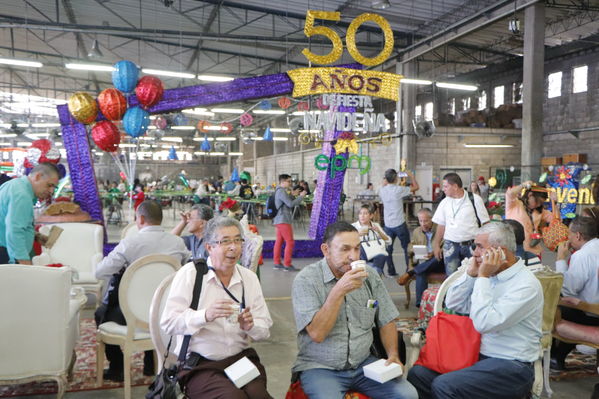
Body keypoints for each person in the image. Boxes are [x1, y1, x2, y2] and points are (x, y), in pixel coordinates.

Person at [408, 222, 543, 399]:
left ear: (500, 252)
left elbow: (484, 323)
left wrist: (483, 277)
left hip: (513, 366)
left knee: (445, 386)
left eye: (479, 247)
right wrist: (472, 275)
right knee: (418, 374)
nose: (474, 253)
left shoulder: (526, 284)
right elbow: (454, 303)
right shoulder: (491, 274)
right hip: (478, 356)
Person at [292, 221, 418, 399]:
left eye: (357, 248)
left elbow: (386, 318)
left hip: (363, 363)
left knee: (408, 395)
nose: (353, 256)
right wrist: (338, 292)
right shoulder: (306, 280)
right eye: (345, 249)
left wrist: (393, 355)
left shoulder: (369, 276)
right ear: (326, 250)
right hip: (320, 366)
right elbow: (317, 334)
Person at [161, 217, 273, 398]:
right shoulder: (191, 275)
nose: (233, 247)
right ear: (209, 247)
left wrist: (250, 326)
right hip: (201, 364)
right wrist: (204, 315)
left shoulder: (248, 278)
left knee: (259, 395)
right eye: (225, 241)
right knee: (233, 397)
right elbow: (168, 323)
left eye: (238, 240)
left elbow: (265, 331)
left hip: (240, 360)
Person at [95, 200, 190, 381]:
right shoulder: (177, 243)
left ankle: (117, 367)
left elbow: (100, 272)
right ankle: (150, 363)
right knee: (152, 302)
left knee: (101, 313)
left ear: (141, 219)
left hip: (132, 314)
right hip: (166, 311)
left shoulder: (129, 243)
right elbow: (188, 270)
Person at [551, 216, 599, 370]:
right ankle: (558, 355)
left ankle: (555, 356)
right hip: (592, 310)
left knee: (551, 307)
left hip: (591, 313)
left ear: (578, 235)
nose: (568, 239)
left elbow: (567, 288)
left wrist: (560, 258)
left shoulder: (583, 255)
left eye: (569, 235)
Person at [0, 163, 59, 264]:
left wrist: (35, 235)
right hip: (7, 254)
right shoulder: (22, 195)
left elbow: (7, 222)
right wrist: (24, 263)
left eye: (54, 187)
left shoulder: (14, 185)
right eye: (49, 185)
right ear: (38, 176)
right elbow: (15, 230)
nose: (51, 191)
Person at [432, 172, 490, 275]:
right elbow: (441, 226)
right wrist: (436, 245)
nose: (443, 189)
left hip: (472, 246)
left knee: (473, 275)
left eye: (445, 186)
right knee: (451, 278)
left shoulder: (475, 200)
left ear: (454, 186)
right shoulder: (444, 203)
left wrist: (485, 245)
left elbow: (486, 223)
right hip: (450, 246)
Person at [397, 208, 445, 308]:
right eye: (421, 221)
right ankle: (421, 304)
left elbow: (447, 247)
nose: (423, 224)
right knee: (421, 272)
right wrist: (415, 249)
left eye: (426, 220)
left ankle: (410, 272)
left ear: (432, 219)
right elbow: (410, 246)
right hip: (424, 263)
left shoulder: (440, 230)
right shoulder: (417, 231)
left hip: (439, 262)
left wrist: (435, 252)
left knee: (436, 258)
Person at [378, 168, 419, 277]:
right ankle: (408, 270)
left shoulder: (381, 190)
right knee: (406, 247)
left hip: (388, 225)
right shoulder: (399, 189)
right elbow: (416, 187)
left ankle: (391, 271)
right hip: (399, 224)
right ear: (396, 179)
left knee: (388, 249)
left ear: (386, 179)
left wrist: (385, 180)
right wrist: (411, 176)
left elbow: (383, 184)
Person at [504, 180, 553, 257]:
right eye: (538, 201)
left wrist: (554, 202)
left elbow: (556, 219)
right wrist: (523, 185)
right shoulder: (515, 204)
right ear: (530, 195)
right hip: (513, 251)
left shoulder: (539, 211)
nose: (538, 205)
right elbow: (510, 193)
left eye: (541, 203)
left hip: (534, 251)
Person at [273, 174, 306, 271]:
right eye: (289, 181)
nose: (290, 183)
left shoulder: (280, 191)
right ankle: (287, 264)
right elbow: (290, 204)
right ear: (282, 182)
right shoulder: (282, 191)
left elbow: (286, 202)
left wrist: (292, 195)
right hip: (283, 219)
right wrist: (300, 197)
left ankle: (277, 262)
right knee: (290, 242)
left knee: (279, 242)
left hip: (279, 219)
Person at [352, 204, 391, 275]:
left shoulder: (375, 225)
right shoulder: (353, 227)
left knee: (382, 255)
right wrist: (357, 234)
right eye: (360, 213)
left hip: (376, 254)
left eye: (365, 213)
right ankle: (375, 274)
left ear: (371, 216)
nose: (362, 216)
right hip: (361, 256)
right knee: (375, 269)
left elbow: (389, 241)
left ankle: (373, 273)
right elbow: (346, 241)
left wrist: (378, 231)